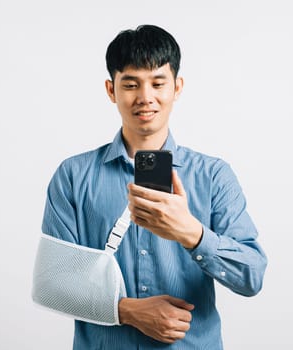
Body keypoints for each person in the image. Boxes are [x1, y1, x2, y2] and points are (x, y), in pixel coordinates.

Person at [39, 24, 267, 349]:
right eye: (131, 84)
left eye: (158, 83)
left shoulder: (214, 176)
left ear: (177, 87)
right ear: (110, 89)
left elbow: (252, 277)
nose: (145, 97)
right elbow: (52, 282)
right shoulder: (73, 176)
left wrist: (192, 233)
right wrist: (127, 312)